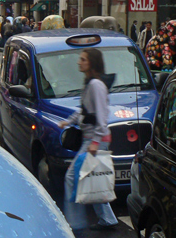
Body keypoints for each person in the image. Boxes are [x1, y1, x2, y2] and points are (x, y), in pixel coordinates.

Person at [58, 48, 118, 233]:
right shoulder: (90, 83)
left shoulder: (96, 86)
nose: (79, 62)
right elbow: (85, 109)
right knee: (91, 178)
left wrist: (95, 141)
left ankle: (75, 223)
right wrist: (69, 121)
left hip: (94, 140)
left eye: (82, 59)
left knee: (71, 178)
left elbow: (102, 115)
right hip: (92, 138)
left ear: (91, 62)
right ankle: (107, 219)